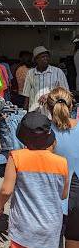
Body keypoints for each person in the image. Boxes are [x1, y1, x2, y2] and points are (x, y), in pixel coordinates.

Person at [0, 112, 69, 248]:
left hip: (24, 228)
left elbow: (6, 190)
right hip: (50, 228)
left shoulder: (16, 157)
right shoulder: (62, 162)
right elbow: (63, 195)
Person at [47, 87, 79, 248]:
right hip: (77, 191)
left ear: (48, 108)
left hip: (53, 192)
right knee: (74, 238)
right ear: (71, 105)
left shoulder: (44, 132)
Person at [22, 46, 69, 113]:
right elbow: (27, 95)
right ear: (36, 59)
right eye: (43, 57)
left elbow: (66, 92)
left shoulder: (58, 72)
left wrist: (50, 96)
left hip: (52, 112)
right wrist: (25, 112)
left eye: (47, 56)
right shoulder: (30, 73)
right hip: (34, 112)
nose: (46, 58)